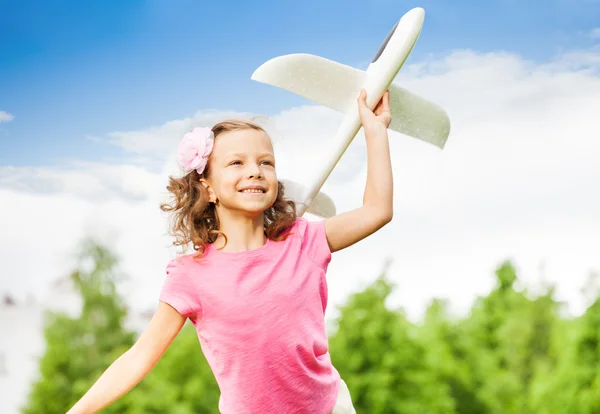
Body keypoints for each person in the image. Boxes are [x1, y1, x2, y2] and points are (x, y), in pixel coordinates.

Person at [66, 88, 393, 414]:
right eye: (236, 162)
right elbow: (138, 357)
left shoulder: (304, 241)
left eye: (266, 162)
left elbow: (378, 210)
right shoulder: (190, 275)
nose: (255, 170)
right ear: (207, 187)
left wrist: (376, 132)